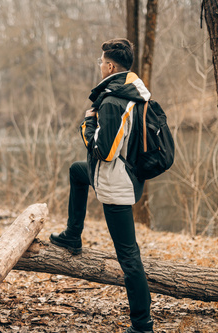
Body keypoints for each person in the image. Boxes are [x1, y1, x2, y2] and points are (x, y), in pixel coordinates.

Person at [50, 38, 154, 333]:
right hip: (120, 174)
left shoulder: (112, 101)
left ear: (109, 66)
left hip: (114, 183)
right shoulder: (133, 92)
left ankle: (142, 325)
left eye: (100, 62)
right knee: (76, 171)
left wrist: (87, 126)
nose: (99, 66)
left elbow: (105, 151)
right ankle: (73, 235)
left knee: (129, 257)